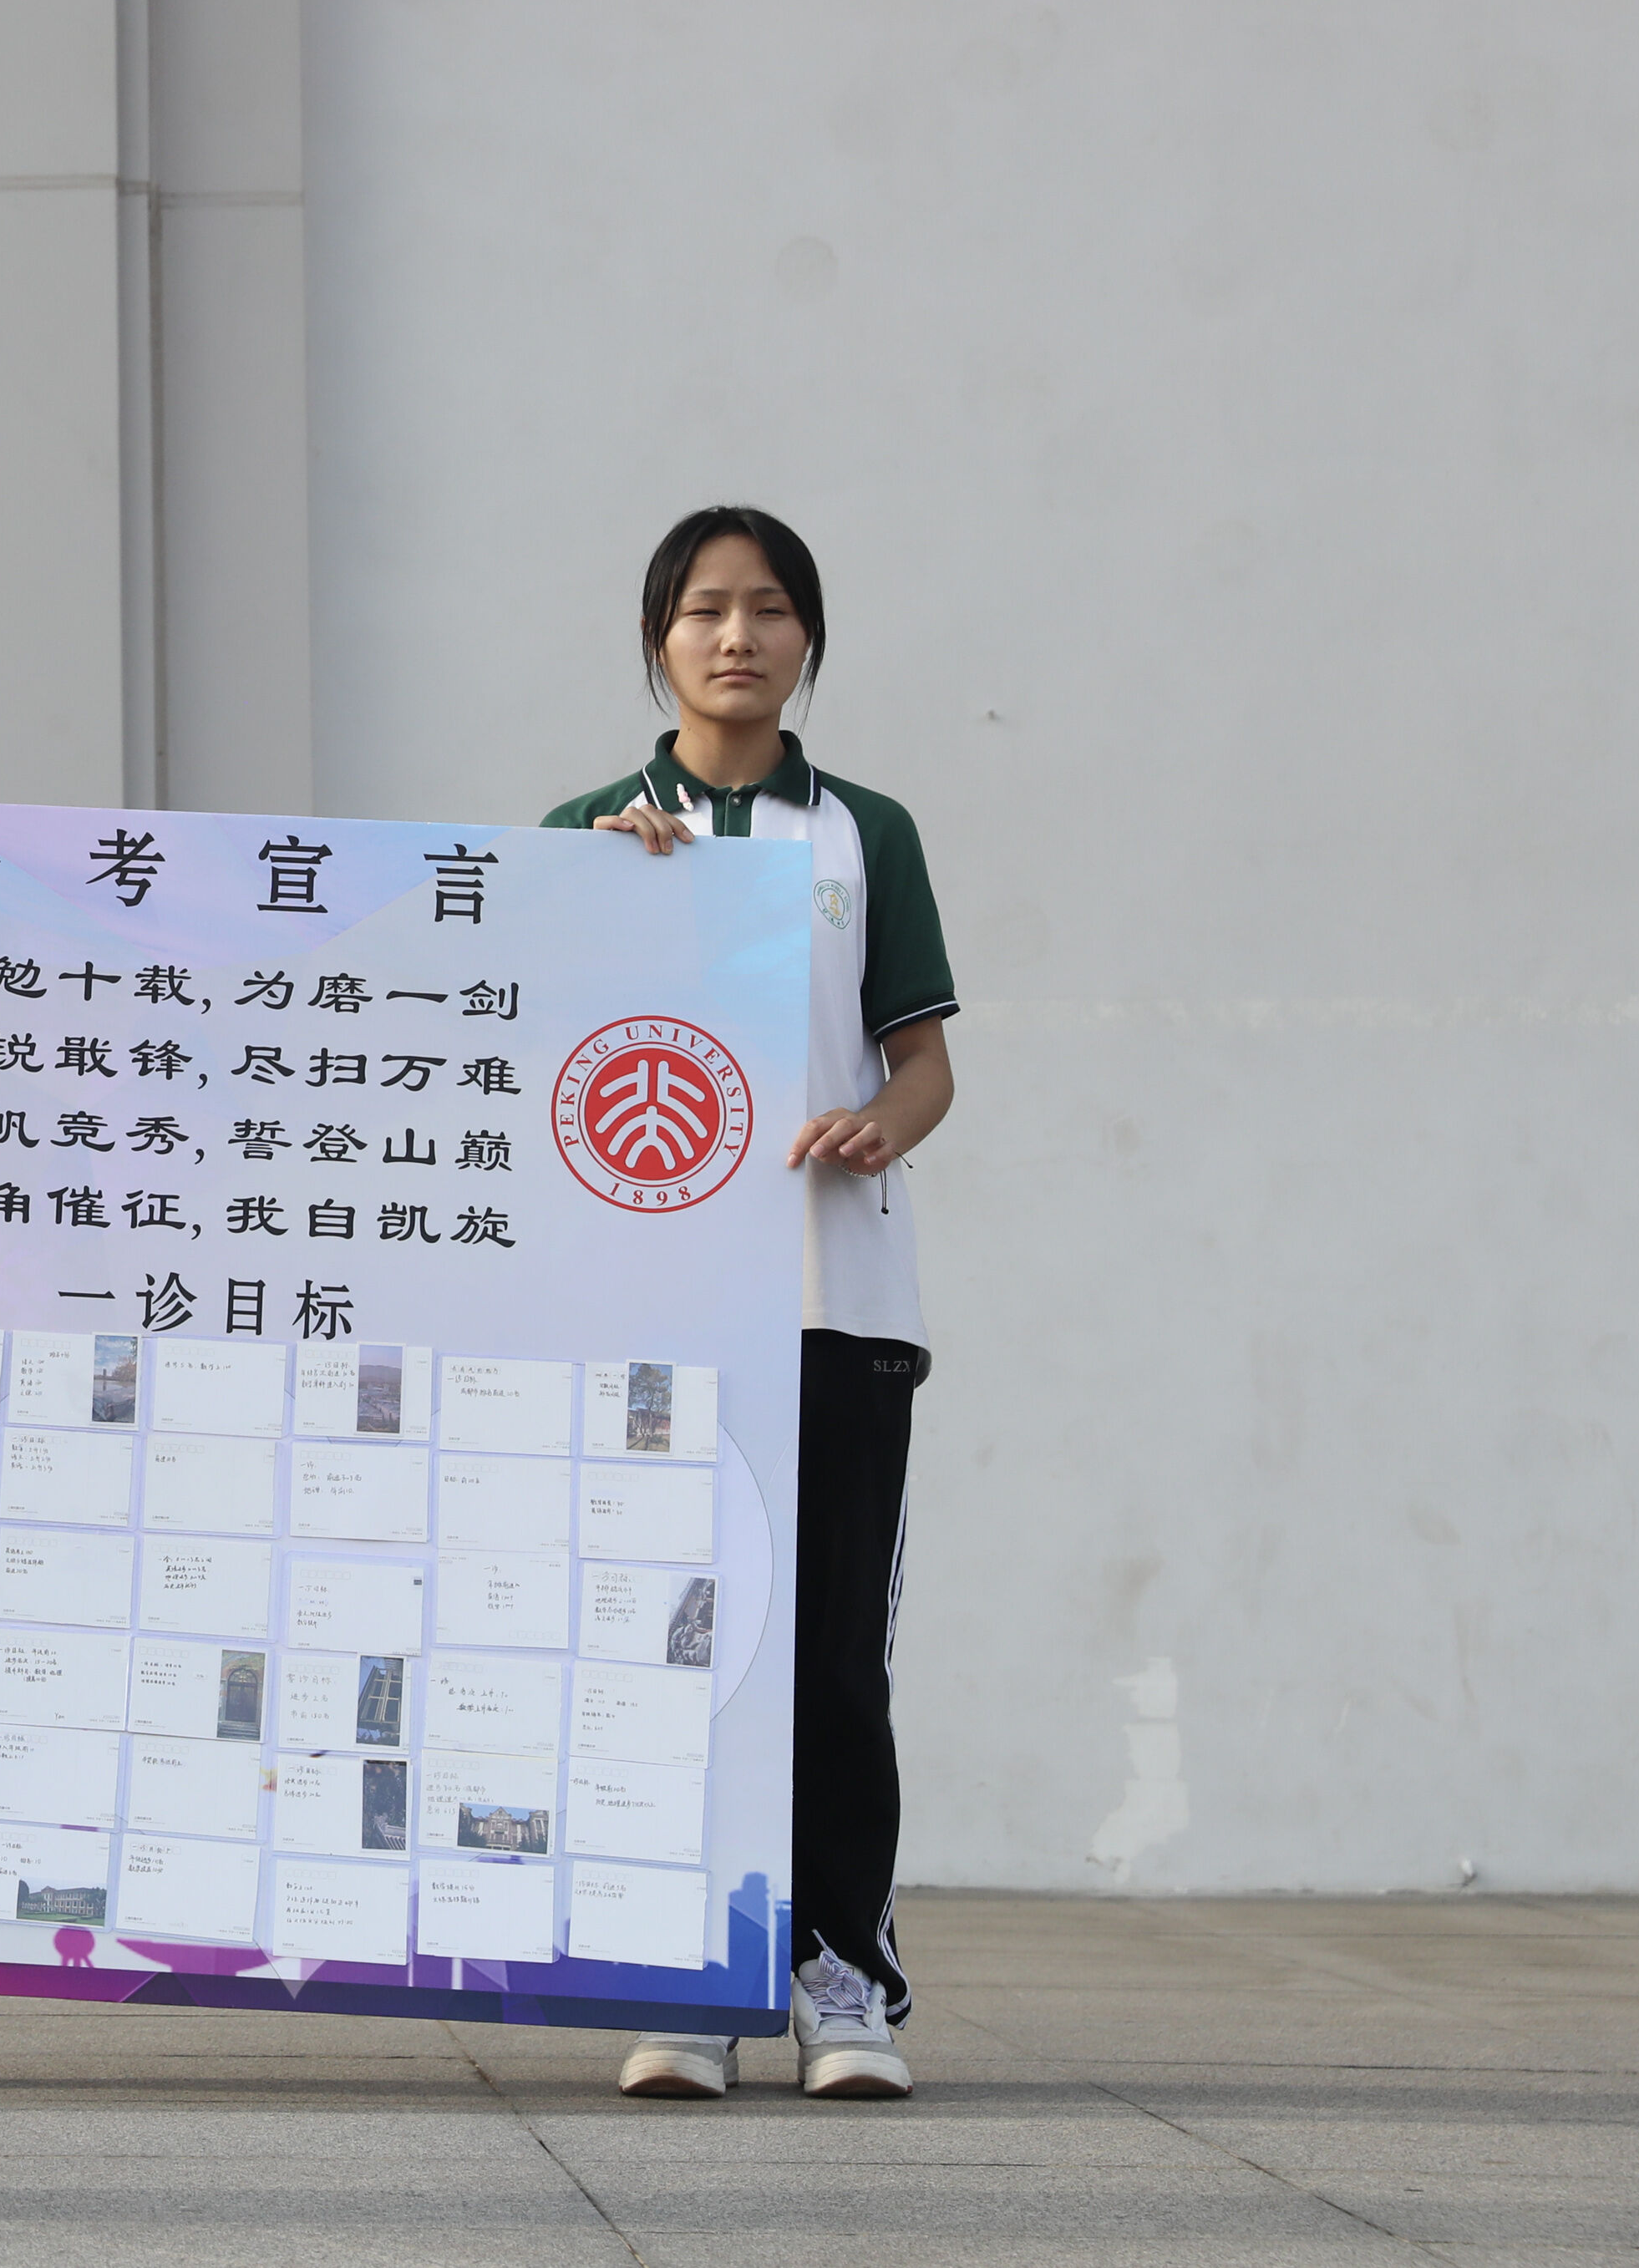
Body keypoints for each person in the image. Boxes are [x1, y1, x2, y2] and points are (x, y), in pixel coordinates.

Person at [543, 505, 958, 2107]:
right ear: (658, 637)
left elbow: (922, 1063)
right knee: (673, 1650)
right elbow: (527, 1057)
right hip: (653, 1322)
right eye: (706, 607)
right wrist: (594, 897)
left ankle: (841, 1976)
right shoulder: (586, 831)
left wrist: (877, 1127)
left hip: (834, 1300)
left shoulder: (865, 833)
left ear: (808, 639)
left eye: (769, 607)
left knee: (836, 1662)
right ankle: (687, 1974)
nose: (738, 635)